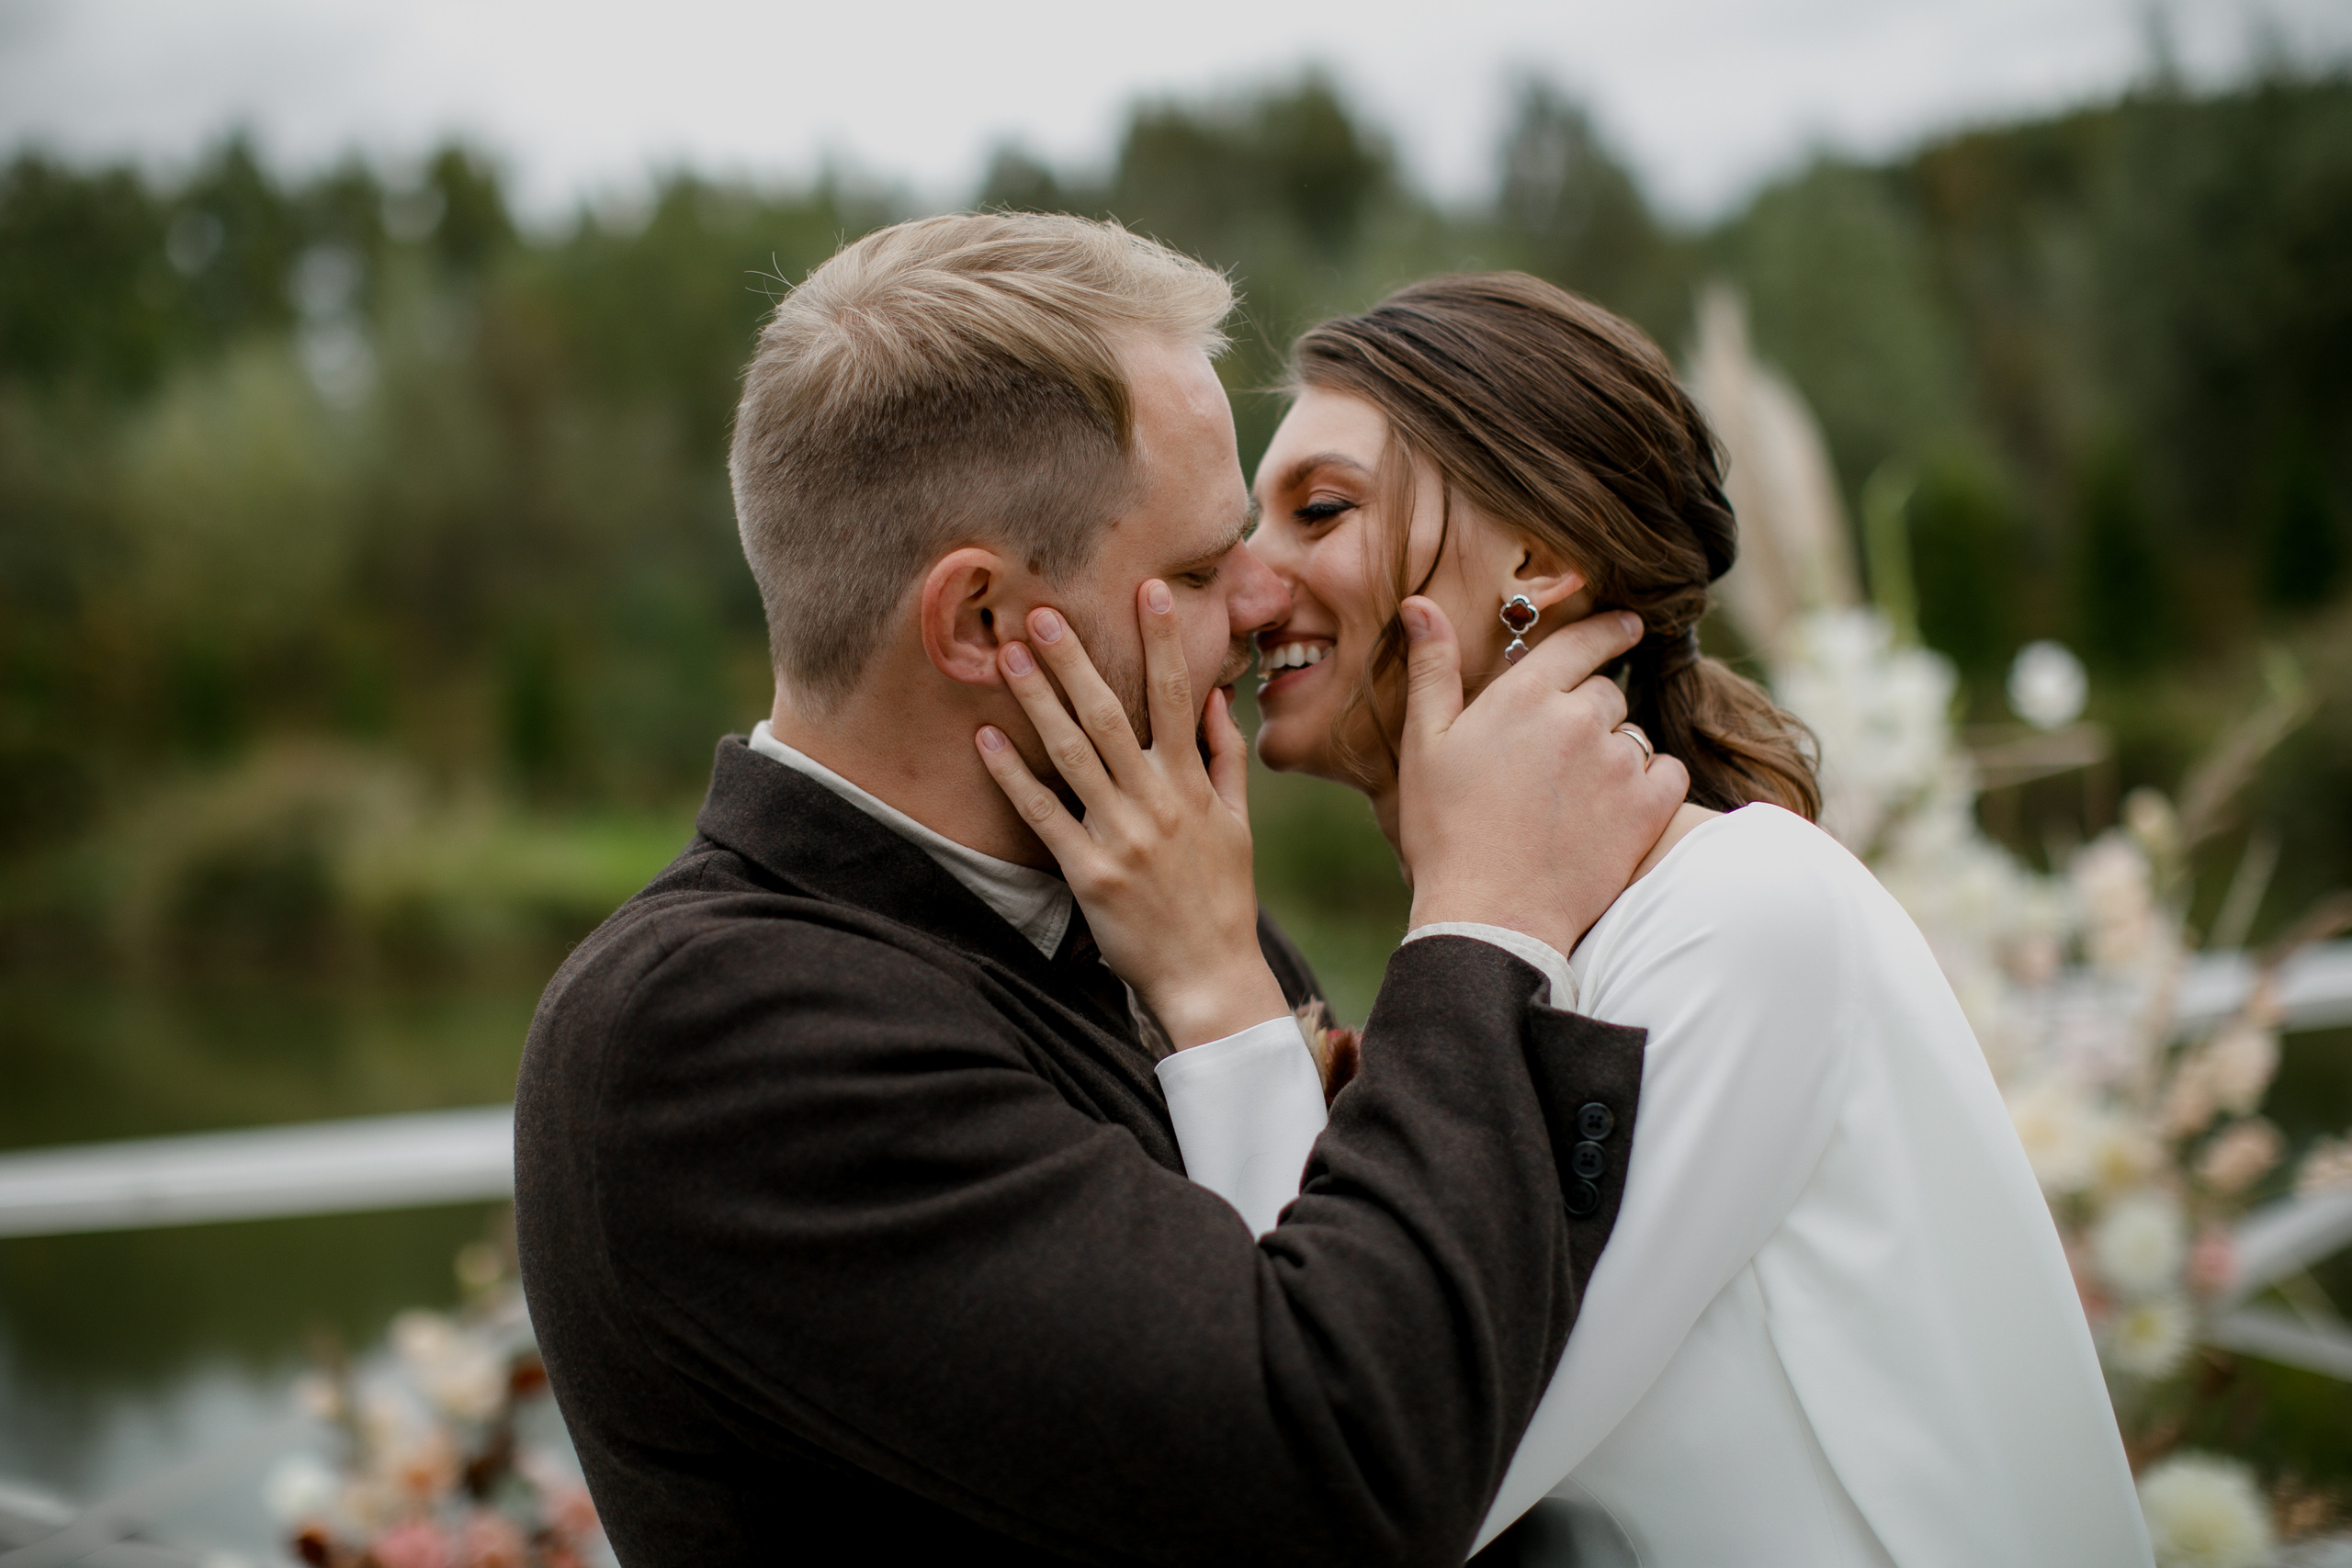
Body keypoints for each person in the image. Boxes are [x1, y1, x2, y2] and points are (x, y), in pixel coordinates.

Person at [512, 216, 1690, 1565]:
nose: (1262, 598)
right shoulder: (708, 1035)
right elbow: (1343, 1480)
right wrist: (1484, 920)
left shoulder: (1168, 905)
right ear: (982, 622)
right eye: (1194, 570)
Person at [981, 274, 2154, 1566]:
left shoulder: (1739, 917)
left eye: (1320, 510)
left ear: (1536, 561)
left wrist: (1212, 984)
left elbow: (1383, 1484)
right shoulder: (1550, 953)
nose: (1248, 593)